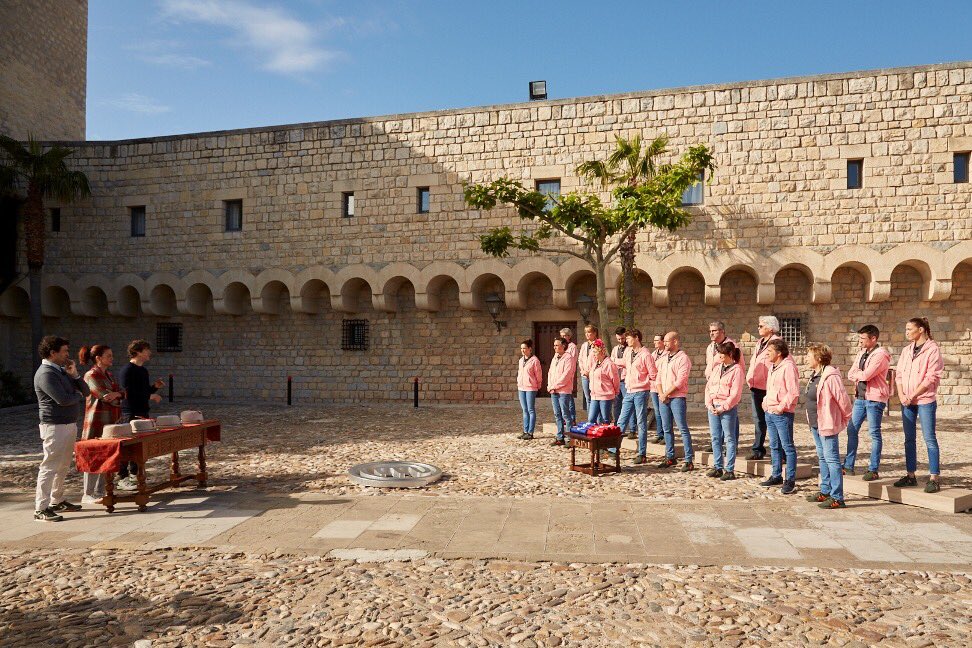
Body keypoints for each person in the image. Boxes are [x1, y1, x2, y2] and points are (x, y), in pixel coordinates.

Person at [33, 335, 90, 522]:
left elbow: (87, 391)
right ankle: (41, 508)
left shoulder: (61, 371)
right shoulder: (46, 374)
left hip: (68, 423)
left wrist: (75, 375)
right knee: (49, 466)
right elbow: (63, 399)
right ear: (52, 353)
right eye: (64, 351)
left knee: (63, 465)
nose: (68, 355)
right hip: (54, 425)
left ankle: (57, 500)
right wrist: (76, 394)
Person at [894, 317, 944, 493]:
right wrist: (901, 394)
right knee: (909, 439)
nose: (906, 332)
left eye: (909, 329)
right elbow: (898, 374)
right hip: (906, 401)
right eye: (906, 329)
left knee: (929, 438)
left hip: (925, 401)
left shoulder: (932, 350)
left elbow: (931, 377)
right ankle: (910, 476)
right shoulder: (907, 350)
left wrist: (912, 395)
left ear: (921, 329)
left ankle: (934, 478)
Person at [805, 343, 853, 509]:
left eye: (809, 356)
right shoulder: (815, 374)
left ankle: (837, 497)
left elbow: (842, 398)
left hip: (827, 423)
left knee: (832, 459)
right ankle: (825, 491)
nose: (806, 359)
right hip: (816, 423)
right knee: (823, 458)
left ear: (818, 359)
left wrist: (847, 417)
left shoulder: (830, 376)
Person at [843, 325, 891, 480]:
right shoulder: (862, 353)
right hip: (860, 398)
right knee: (852, 429)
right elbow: (851, 373)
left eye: (863, 338)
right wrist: (859, 374)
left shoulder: (881, 355)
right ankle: (848, 466)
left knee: (874, 433)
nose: (860, 342)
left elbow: (867, 375)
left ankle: (873, 469)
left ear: (873, 339)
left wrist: (859, 374)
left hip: (875, 399)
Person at [116, 339, 164, 490]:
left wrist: (154, 388)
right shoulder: (127, 370)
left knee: (139, 447)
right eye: (146, 350)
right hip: (130, 413)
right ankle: (122, 478)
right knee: (127, 446)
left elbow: (143, 392)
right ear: (137, 352)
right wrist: (150, 396)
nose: (149, 352)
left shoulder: (143, 371)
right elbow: (128, 394)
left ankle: (134, 475)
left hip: (143, 411)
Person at [80, 344, 124, 503]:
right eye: (108, 355)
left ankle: (101, 490)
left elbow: (120, 393)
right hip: (96, 421)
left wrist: (118, 394)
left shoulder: (109, 375)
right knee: (93, 456)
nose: (112, 358)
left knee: (106, 455)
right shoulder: (91, 375)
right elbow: (105, 396)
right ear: (98, 358)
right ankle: (88, 493)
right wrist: (117, 395)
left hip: (111, 421)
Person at [760, 339, 800, 494]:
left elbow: (793, 392)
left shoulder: (788, 367)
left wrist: (780, 407)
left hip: (782, 414)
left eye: (769, 351)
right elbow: (770, 388)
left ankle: (790, 479)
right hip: (769, 412)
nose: (767, 354)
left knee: (787, 447)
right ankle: (776, 475)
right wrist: (765, 402)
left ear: (778, 353)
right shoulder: (772, 367)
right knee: (774, 446)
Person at [704, 341, 744, 480]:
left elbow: (735, 393)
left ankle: (729, 469)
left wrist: (723, 407)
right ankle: (717, 466)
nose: (720, 357)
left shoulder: (737, 370)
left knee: (729, 438)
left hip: (727, 408)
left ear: (730, 354)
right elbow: (708, 387)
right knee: (715, 438)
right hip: (713, 406)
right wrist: (709, 404)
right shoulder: (716, 368)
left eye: (722, 354)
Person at [656, 330, 694, 472]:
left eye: (667, 341)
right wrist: (660, 393)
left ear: (675, 341)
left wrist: (666, 393)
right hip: (663, 398)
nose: (664, 343)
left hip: (677, 397)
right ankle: (669, 456)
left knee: (682, 428)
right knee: (666, 428)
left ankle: (689, 459)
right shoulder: (664, 358)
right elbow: (658, 377)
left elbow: (680, 380)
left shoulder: (683, 358)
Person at [617, 329, 656, 464]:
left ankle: (642, 453)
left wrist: (648, 387)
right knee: (621, 421)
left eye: (628, 338)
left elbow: (653, 374)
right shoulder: (628, 352)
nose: (626, 340)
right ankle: (614, 449)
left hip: (641, 392)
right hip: (629, 390)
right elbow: (624, 363)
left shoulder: (646, 355)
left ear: (636, 338)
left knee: (640, 422)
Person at [746, 315, 782, 460]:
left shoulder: (777, 342)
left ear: (770, 328)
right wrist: (749, 377)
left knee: (773, 419)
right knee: (758, 419)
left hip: (769, 387)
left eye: (761, 326)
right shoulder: (759, 342)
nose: (758, 328)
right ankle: (758, 449)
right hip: (756, 386)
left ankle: (781, 451)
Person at [548, 337, 577, 446]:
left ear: (563, 346)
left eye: (557, 345)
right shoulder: (555, 357)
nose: (554, 347)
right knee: (557, 414)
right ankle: (560, 437)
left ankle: (570, 438)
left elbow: (566, 375)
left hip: (564, 390)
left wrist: (555, 385)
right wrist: (549, 385)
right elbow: (550, 372)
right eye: (554, 345)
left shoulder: (568, 358)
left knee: (566, 414)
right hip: (553, 390)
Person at [587, 339, 620, 424]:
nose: (593, 355)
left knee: (605, 418)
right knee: (591, 419)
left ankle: (606, 435)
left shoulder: (609, 364)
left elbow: (615, 379)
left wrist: (615, 391)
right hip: (594, 395)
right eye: (593, 352)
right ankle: (594, 434)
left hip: (605, 396)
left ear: (601, 352)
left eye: (595, 352)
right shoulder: (595, 364)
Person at [516, 339, 542, 440]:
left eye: (525, 348)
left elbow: (538, 374)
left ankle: (530, 432)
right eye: (521, 348)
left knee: (530, 409)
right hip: (521, 388)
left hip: (531, 387)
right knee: (524, 410)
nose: (523, 350)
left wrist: (538, 385)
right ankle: (525, 431)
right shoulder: (521, 360)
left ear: (530, 349)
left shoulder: (535, 360)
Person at [611, 327, 633, 439]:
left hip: (625, 380)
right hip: (617, 380)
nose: (621, 341)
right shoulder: (615, 349)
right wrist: (616, 362)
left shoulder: (630, 349)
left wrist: (616, 362)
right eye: (618, 339)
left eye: (623, 338)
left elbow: (626, 362)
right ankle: (617, 426)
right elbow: (611, 361)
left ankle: (632, 429)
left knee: (628, 404)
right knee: (617, 405)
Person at [648, 333, 666, 444]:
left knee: (663, 411)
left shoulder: (667, 354)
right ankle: (659, 434)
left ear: (663, 342)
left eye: (657, 340)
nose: (655, 342)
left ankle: (665, 434)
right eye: (654, 340)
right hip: (653, 386)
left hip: (663, 386)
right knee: (657, 411)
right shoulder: (653, 354)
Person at [578, 324, 598, 412]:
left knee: (595, 397)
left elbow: (598, 360)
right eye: (585, 332)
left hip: (594, 374)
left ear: (594, 333)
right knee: (588, 398)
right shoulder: (584, 345)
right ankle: (590, 419)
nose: (587, 334)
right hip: (584, 375)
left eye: (589, 332)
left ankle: (598, 419)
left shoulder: (599, 344)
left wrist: (590, 372)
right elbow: (580, 359)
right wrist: (583, 370)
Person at [560, 327, 578, 425]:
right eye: (561, 336)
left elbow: (572, 360)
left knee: (569, 397)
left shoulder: (572, 347)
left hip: (569, 373)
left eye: (564, 336)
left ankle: (572, 418)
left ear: (569, 336)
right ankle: (565, 417)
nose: (563, 337)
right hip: (561, 374)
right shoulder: (561, 345)